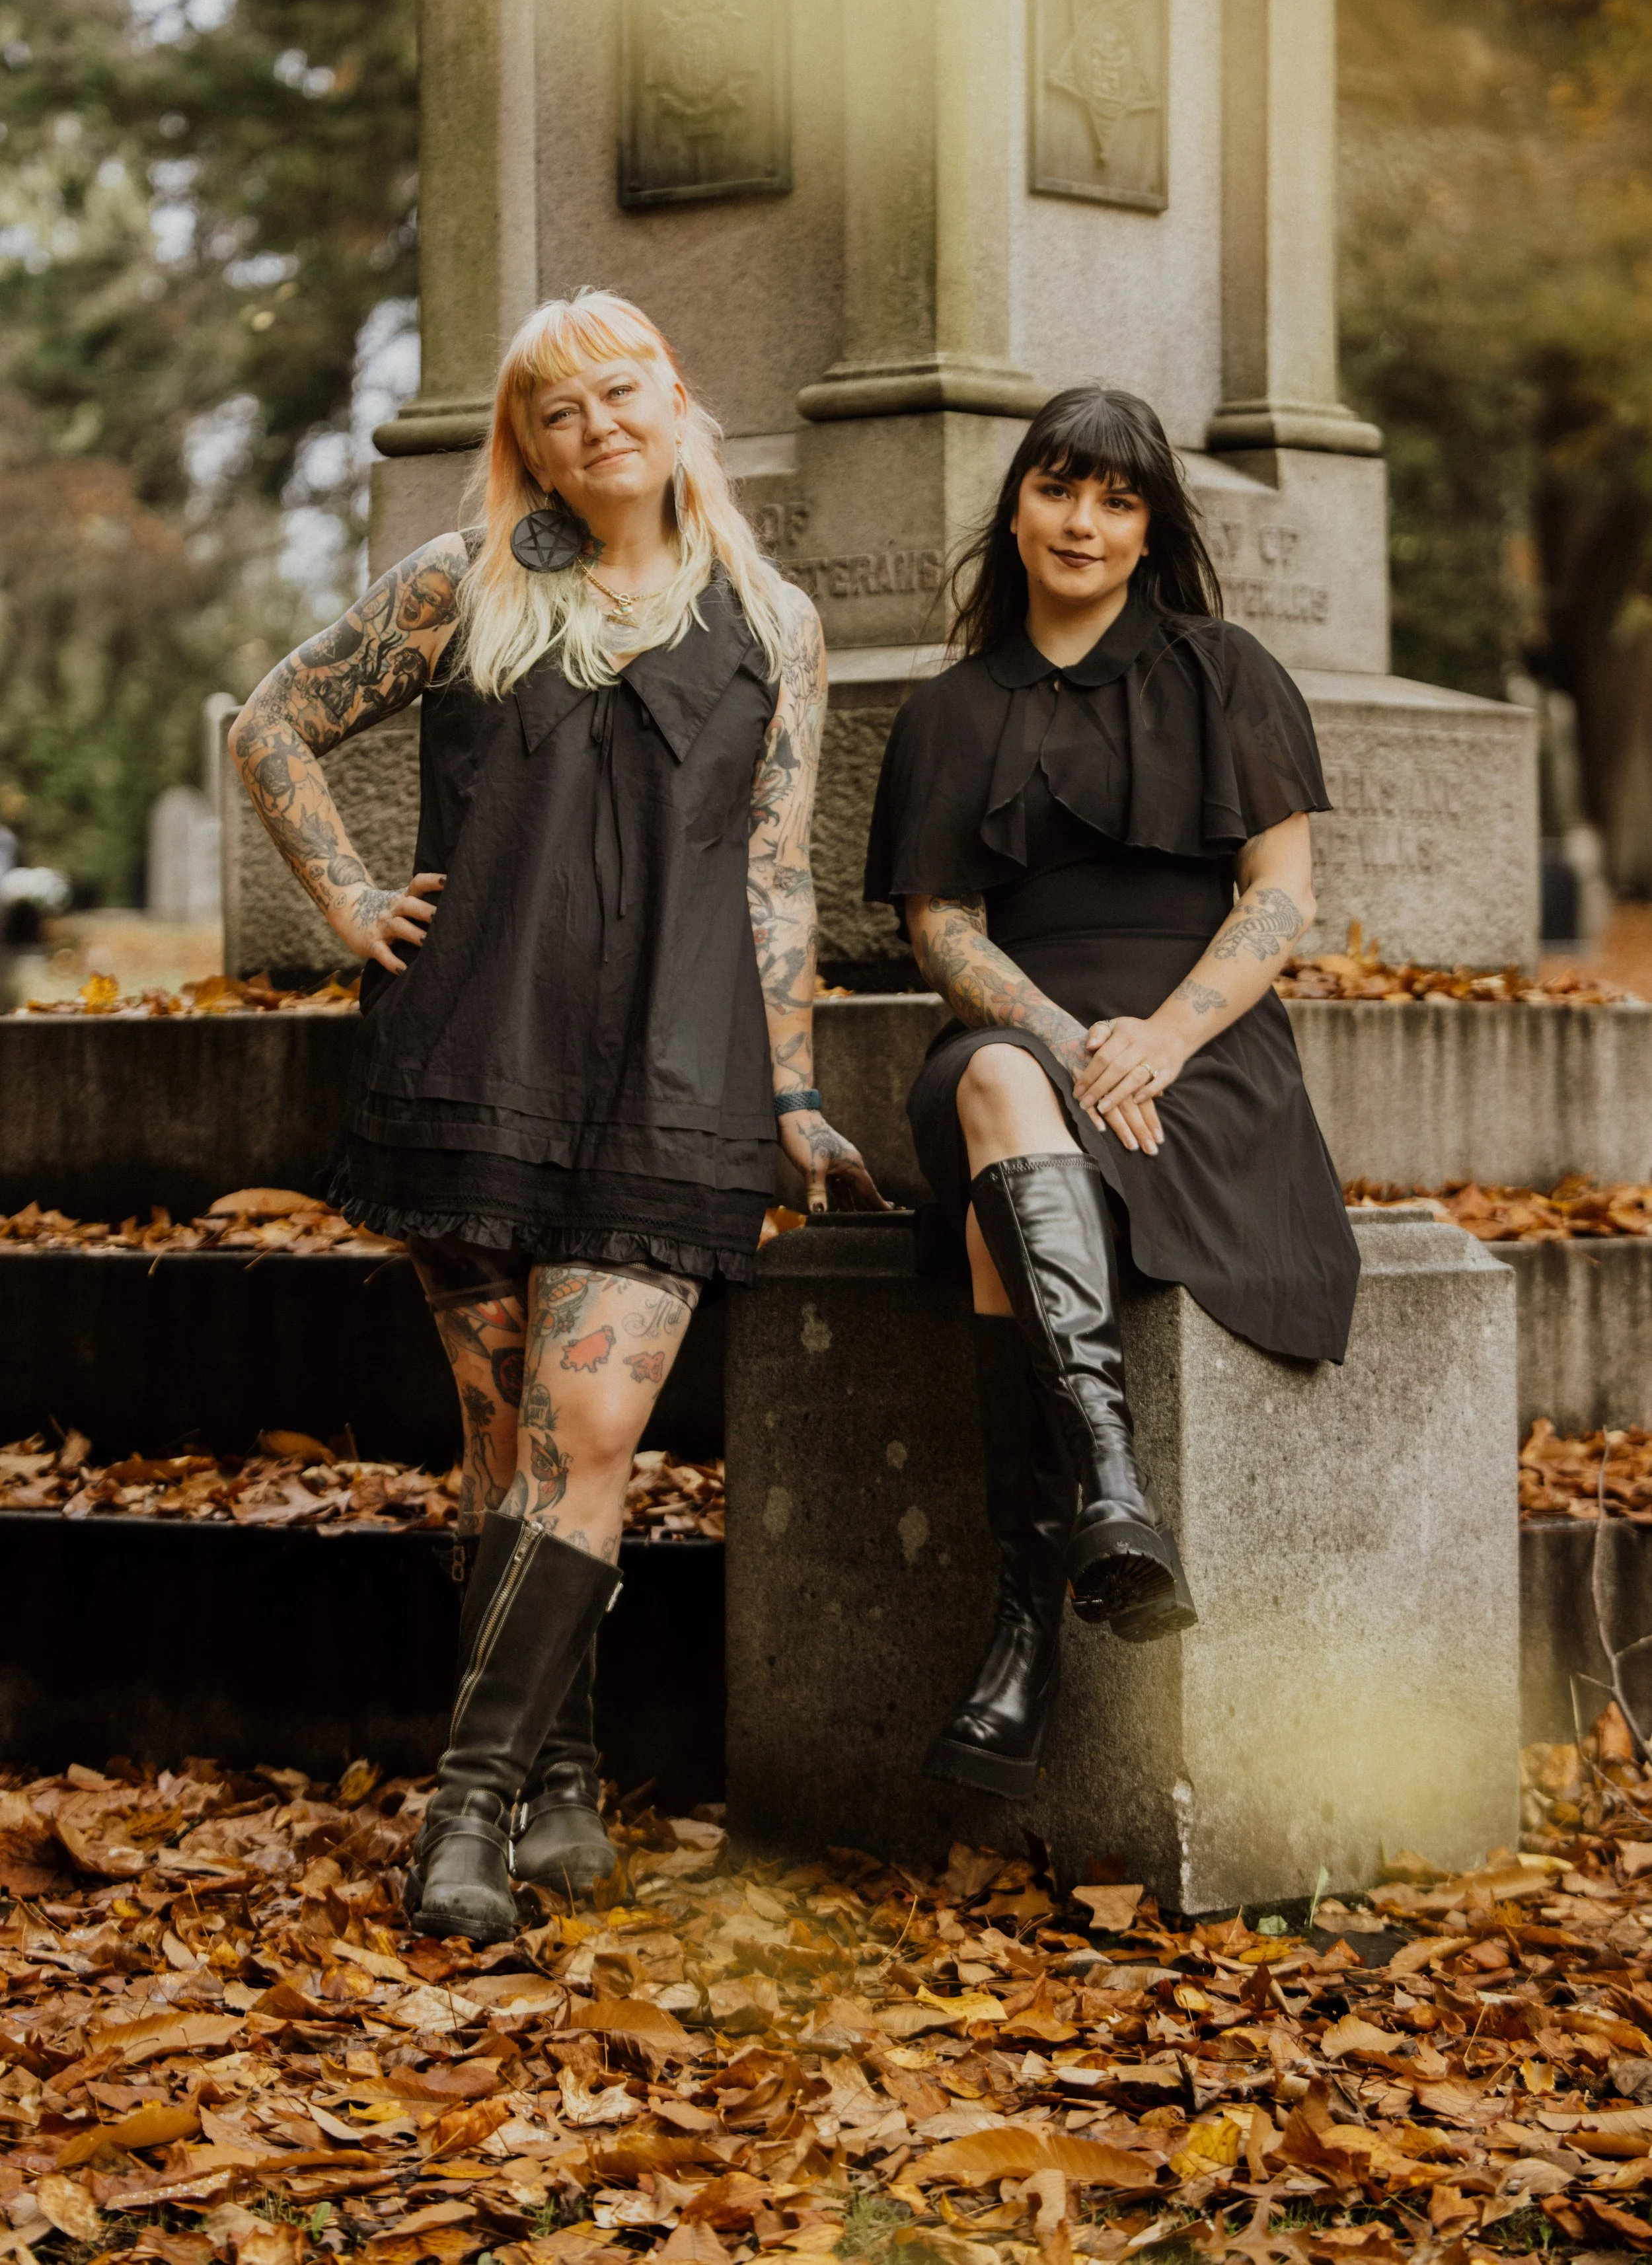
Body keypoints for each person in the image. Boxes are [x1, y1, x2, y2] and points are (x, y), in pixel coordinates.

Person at [231, 289, 881, 1939]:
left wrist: (792, 1082)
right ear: (525, 440)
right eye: (557, 409)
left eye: (621, 390)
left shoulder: (773, 616)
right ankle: (562, 1776)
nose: (597, 425)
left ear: (677, 399)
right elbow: (270, 722)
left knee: (587, 1439)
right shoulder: (465, 587)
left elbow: (781, 867)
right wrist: (351, 897)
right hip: (473, 1054)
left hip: (676, 1078)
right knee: (508, 1450)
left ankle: (463, 1818)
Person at [864, 385, 1359, 1801]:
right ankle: (1115, 1499)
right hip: (1029, 1029)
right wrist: (1073, 1034)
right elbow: (943, 932)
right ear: (1013, 507)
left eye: (1117, 498)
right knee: (996, 1082)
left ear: (1149, 531)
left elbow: (1277, 901)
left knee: (988, 1209)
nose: (1082, 521)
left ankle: (1028, 1626)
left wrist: (1163, 1034)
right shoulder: (951, 711)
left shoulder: (1223, 669)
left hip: (1196, 1054)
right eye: (1058, 488)